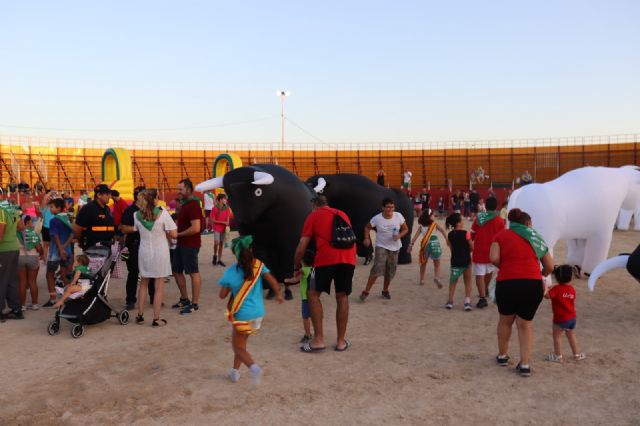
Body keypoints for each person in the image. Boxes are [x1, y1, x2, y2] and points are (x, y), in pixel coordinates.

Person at [490, 208, 554, 377]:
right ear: (527, 223)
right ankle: (525, 364)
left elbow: (494, 258)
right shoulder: (535, 237)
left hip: (507, 282)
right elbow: (550, 266)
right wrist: (542, 275)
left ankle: (502, 356)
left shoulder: (501, 236)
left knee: (505, 321)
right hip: (531, 284)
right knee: (525, 325)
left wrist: (505, 266)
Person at [293, 195, 356, 352]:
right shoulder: (342, 213)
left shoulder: (313, 216)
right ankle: (341, 341)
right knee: (342, 296)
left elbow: (301, 247)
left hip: (325, 260)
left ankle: (318, 339)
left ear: (314, 205)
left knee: (312, 293)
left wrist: (296, 266)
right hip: (348, 258)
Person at [218, 235, 284, 384]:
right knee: (242, 345)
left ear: (235, 254)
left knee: (237, 347)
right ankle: (234, 372)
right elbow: (272, 280)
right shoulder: (258, 265)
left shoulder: (231, 272)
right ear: (251, 250)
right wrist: (279, 294)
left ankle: (254, 367)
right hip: (258, 314)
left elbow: (222, 295)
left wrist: (228, 287)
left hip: (242, 315)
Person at [122, 188, 177, 327]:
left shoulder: (136, 214)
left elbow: (136, 229)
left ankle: (140, 315)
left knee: (143, 283)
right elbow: (174, 234)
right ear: (154, 199)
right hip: (160, 252)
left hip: (144, 251)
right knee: (159, 286)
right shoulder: (163, 212)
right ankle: (156, 318)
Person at [360, 198, 409, 301]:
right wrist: (366, 238)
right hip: (381, 246)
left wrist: (399, 235)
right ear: (383, 208)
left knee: (390, 270)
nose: (390, 209)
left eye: (392, 207)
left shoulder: (398, 216)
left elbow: (405, 229)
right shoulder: (377, 218)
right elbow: (367, 227)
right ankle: (366, 291)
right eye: (388, 207)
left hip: (395, 247)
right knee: (377, 268)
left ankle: (385, 290)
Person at [120, 186, 156, 310]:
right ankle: (130, 300)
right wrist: (139, 227)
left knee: (151, 272)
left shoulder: (150, 210)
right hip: (133, 245)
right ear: (138, 196)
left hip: (149, 245)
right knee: (133, 273)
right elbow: (123, 228)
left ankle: (153, 297)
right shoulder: (130, 211)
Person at [171, 178, 204, 314]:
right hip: (182, 243)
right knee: (176, 270)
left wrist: (178, 234)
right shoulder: (185, 204)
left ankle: (195, 303)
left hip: (190, 244)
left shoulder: (193, 205)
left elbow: (196, 228)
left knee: (193, 272)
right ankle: (185, 299)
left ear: (189, 190)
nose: (179, 192)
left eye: (181, 189)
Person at [544, 265, 586, 362]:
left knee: (557, 337)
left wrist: (544, 286)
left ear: (557, 277)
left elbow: (547, 296)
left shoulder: (556, 289)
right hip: (572, 318)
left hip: (560, 319)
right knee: (571, 335)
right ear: (571, 277)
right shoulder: (572, 289)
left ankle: (558, 356)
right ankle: (577, 355)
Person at [471, 197, 505, 309]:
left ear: (486, 205)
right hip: (493, 250)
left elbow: (472, 233)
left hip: (479, 249)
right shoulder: (500, 220)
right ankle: (484, 290)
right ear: (496, 206)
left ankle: (482, 297)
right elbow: (502, 238)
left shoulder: (479, 218)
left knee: (479, 274)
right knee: (489, 271)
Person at [43, 198, 74, 307]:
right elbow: (72, 235)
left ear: (59, 208)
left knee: (49, 274)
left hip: (56, 251)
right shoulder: (68, 219)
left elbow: (55, 236)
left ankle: (52, 298)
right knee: (65, 274)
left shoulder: (54, 220)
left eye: (52, 207)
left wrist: (60, 249)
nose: (50, 209)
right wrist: (65, 247)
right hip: (68, 250)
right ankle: (68, 297)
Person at [0, 189, 25, 320]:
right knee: (11, 280)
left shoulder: (0, 210)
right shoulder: (12, 209)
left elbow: (0, 231)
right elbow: (21, 227)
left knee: (1, 280)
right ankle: (16, 309)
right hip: (13, 248)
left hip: (3, 250)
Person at [408, 208, 447, 288]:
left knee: (423, 263)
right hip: (435, 244)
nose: (434, 216)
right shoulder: (434, 224)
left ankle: (422, 280)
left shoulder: (421, 226)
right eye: (432, 215)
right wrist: (447, 240)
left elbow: (415, 237)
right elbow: (443, 231)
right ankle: (436, 277)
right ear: (429, 217)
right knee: (437, 264)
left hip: (425, 245)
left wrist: (411, 245)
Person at [284, 249, 315, 343]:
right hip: (314, 297)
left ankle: (307, 334)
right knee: (314, 315)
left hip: (306, 298)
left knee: (305, 317)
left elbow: (295, 280)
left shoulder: (303, 270)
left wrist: (287, 280)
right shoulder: (313, 269)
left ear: (302, 260)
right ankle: (317, 332)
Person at [444, 213, 474, 311]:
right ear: (458, 223)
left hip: (455, 261)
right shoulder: (467, 233)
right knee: (468, 281)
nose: (463, 221)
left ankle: (450, 301)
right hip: (466, 260)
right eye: (462, 220)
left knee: (453, 281)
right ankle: (467, 301)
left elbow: (451, 248)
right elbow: (472, 247)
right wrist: (467, 251)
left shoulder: (450, 234)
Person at [73, 184, 115, 251]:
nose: (109, 196)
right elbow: (77, 228)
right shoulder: (88, 208)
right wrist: (82, 240)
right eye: (107, 194)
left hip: (107, 247)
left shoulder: (107, 209)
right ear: (99, 195)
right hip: (93, 249)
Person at [18, 215, 44, 310]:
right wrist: (41, 254)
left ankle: (22, 306)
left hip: (20, 257)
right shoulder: (33, 232)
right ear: (28, 222)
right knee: (32, 281)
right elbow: (38, 247)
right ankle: (34, 304)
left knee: (22, 282)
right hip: (32, 257)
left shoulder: (17, 232)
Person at [211, 193, 231, 267]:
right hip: (216, 228)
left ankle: (219, 260)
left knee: (221, 243)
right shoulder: (214, 208)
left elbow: (228, 220)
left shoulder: (227, 208)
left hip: (224, 228)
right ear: (220, 200)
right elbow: (213, 220)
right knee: (216, 243)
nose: (226, 200)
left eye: (226, 199)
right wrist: (223, 222)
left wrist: (227, 224)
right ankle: (215, 255)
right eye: (224, 199)